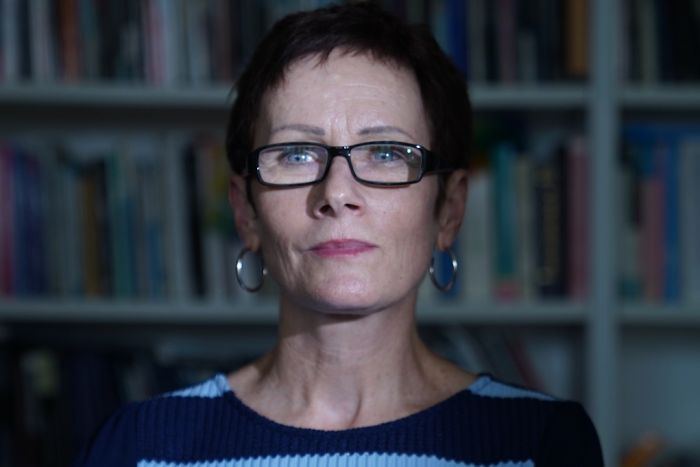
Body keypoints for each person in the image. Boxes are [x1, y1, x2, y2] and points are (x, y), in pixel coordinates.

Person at [75, 3, 603, 466]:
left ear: (448, 209)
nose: (337, 192)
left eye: (387, 153)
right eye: (296, 154)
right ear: (247, 212)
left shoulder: (542, 442)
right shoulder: (140, 447)